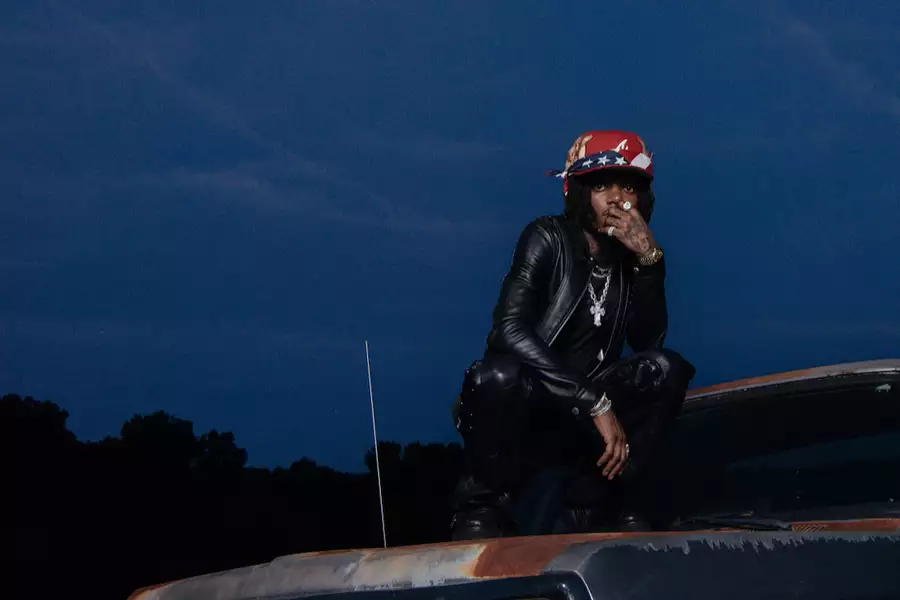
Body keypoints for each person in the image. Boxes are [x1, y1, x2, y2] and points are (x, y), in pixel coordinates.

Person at [450, 130, 696, 541]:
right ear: (579, 192)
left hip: (587, 430)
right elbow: (507, 329)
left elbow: (648, 344)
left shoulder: (633, 258)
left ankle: (600, 503)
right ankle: (481, 508)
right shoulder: (547, 237)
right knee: (495, 376)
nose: (617, 198)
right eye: (601, 185)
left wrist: (650, 262)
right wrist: (592, 400)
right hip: (541, 403)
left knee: (667, 369)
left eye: (629, 185)